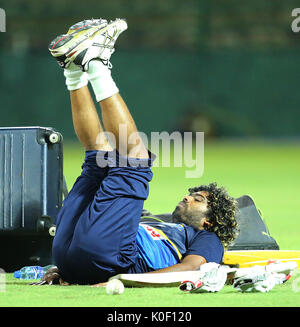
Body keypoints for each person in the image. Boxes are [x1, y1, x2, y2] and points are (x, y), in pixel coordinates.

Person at [47, 18, 239, 285]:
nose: (187, 197)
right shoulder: (157, 221)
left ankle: (95, 63)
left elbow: (192, 270)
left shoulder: (207, 240)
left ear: (209, 221)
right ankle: (72, 69)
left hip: (106, 258)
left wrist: (125, 279)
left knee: (135, 159)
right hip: (69, 255)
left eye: (197, 199)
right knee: (98, 156)